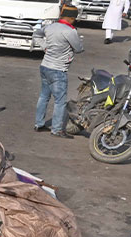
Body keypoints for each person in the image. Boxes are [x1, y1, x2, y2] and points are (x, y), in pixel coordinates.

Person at [34, 5, 84, 138]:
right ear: (72, 18)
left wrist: (45, 46)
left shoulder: (50, 27)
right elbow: (78, 48)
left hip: (45, 66)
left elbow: (36, 34)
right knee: (60, 101)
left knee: (44, 96)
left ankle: (39, 124)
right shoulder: (70, 31)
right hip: (58, 70)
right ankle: (56, 130)